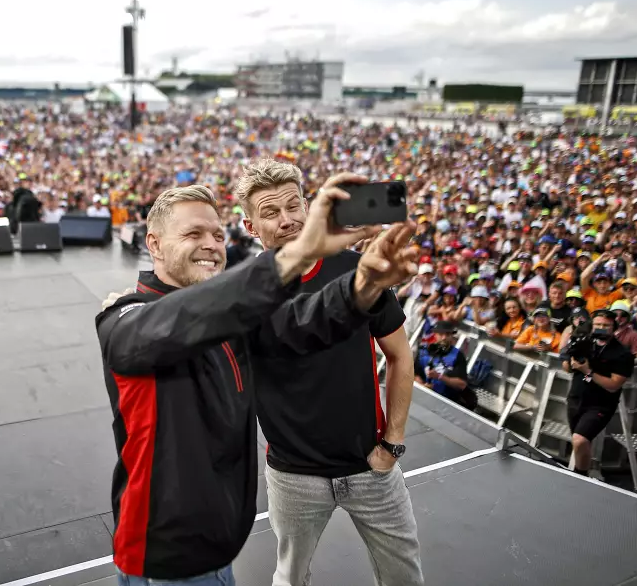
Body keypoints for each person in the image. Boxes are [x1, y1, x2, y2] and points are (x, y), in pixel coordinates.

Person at [95, 177, 418, 585]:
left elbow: (299, 323)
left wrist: (364, 285)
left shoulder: (229, 319)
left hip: (214, 548)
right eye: (193, 233)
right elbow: (171, 326)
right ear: (155, 245)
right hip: (167, 560)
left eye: (216, 234)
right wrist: (297, 254)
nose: (211, 244)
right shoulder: (126, 317)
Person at [233, 160, 423, 586]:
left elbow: (399, 354)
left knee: (404, 576)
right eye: (270, 212)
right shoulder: (240, 290)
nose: (286, 220)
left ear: (308, 205)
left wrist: (392, 443)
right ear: (249, 224)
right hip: (292, 476)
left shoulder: (360, 269)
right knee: (290, 578)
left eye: (293, 205)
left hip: (370, 466)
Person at [562, 309, 634, 476]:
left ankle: (580, 474)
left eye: (606, 325)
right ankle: (582, 471)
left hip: (601, 404)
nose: (601, 328)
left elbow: (614, 385)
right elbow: (567, 368)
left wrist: (587, 370)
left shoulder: (622, 353)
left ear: (614, 328)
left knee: (579, 440)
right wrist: (571, 359)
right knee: (579, 440)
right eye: (598, 325)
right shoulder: (584, 342)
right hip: (576, 398)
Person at [415, 321, 476, 409]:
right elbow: (414, 374)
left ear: (451, 336)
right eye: (441, 334)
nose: (444, 337)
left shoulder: (457, 356)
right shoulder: (424, 351)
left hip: (445, 402)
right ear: (435, 334)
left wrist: (439, 377)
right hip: (422, 397)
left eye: (447, 334)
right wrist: (423, 386)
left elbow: (461, 384)